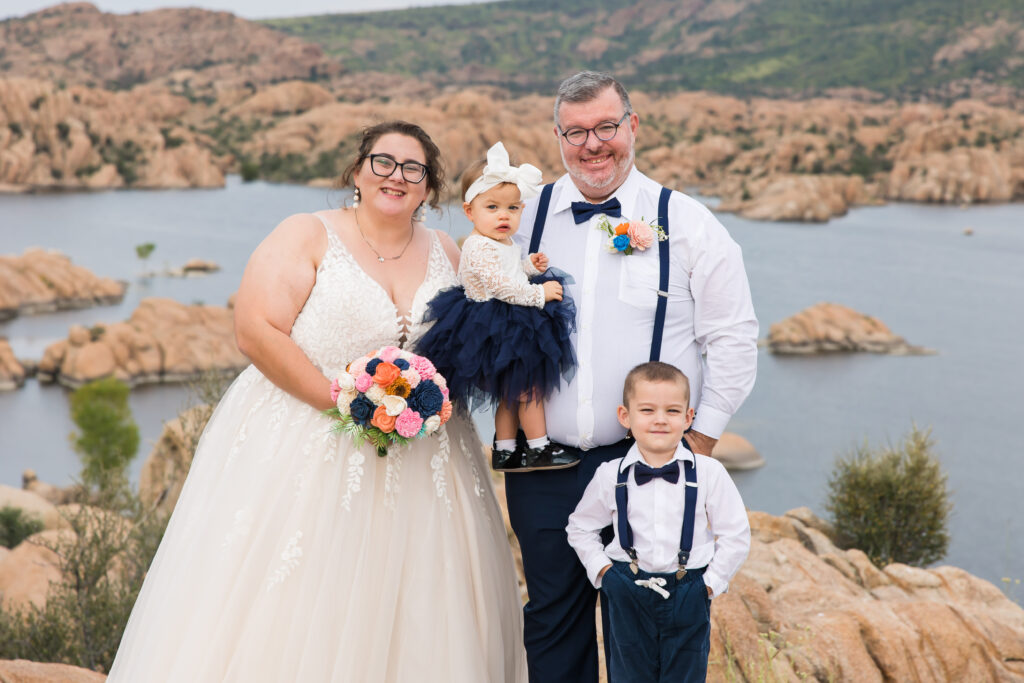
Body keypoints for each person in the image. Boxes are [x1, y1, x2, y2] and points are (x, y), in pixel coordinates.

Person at [106, 121, 527, 682]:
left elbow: (466, 341)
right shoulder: (306, 234)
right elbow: (256, 330)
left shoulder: (448, 250)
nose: (396, 176)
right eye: (383, 162)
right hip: (307, 436)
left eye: (413, 169)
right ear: (357, 171)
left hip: (425, 454)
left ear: (429, 187)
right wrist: (342, 402)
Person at [507, 71, 758, 681]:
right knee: (552, 623)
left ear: (633, 125)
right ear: (558, 137)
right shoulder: (522, 220)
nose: (592, 145)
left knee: (651, 634)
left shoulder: (689, 223)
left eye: (606, 127)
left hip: (649, 464)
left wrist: (699, 441)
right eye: (575, 132)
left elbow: (732, 337)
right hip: (544, 465)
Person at [566, 362, 750, 682]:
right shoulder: (610, 474)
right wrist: (605, 573)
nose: (660, 419)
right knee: (627, 675)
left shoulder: (709, 473)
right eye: (647, 410)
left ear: (688, 417)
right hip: (627, 589)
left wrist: (709, 584)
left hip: (690, 590)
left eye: (672, 411)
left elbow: (735, 534)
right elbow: (580, 527)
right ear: (625, 416)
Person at [416, 141, 578, 473]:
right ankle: (538, 446)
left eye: (513, 208)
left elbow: (510, 272)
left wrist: (529, 267)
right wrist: (539, 293)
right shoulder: (477, 246)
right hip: (493, 327)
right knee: (529, 388)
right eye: (492, 207)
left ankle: (504, 449)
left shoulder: (502, 241)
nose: (504, 215)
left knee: (511, 391)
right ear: (469, 211)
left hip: (503, 320)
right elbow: (500, 285)